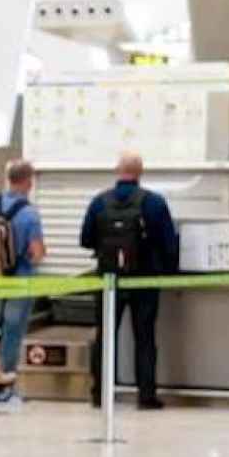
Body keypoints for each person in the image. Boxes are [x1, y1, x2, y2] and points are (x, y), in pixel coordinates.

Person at [81, 152, 179, 411]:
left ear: (117, 170)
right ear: (141, 172)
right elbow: (169, 243)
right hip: (144, 279)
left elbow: (85, 239)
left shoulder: (99, 202)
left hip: (108, 279)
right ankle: (146, 396)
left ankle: (100, 394)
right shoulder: (154, 203)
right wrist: (168, 271)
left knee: (105, 335)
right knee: (144, 337)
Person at [0, 160, 47, 406]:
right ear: (29, 181)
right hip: (20, 280)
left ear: (7, 178)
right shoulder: (29, 213)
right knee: (13, 332)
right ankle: (3, 388)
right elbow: (36, 253)